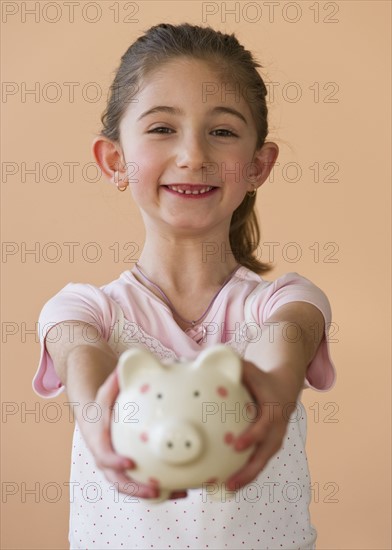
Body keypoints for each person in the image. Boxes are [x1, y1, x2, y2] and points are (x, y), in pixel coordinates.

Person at [32, 22, 336, 550]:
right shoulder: (82, 309)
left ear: (259, 166)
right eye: (160, 129)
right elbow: (82, 358)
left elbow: (284, 345)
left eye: (221, 131)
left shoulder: (285, 302)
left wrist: (277, 389)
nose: (193, 154)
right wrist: (99, 413)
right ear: (114, 161)